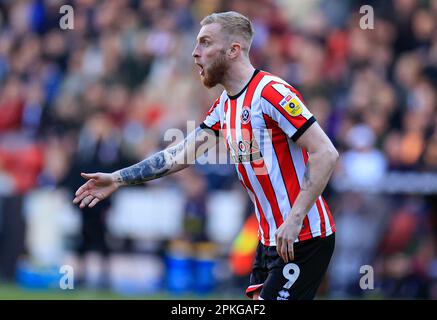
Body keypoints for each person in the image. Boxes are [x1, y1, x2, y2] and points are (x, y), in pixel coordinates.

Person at [73, 11, 339, 300]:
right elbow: (179, 155)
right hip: (270, 240)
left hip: (303, 237)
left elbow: (325, 152)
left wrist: (295, 218)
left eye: (205, 43)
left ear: (234, 50)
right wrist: (117, 178)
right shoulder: (225, 106)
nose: (195, 52)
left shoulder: (271, 93)